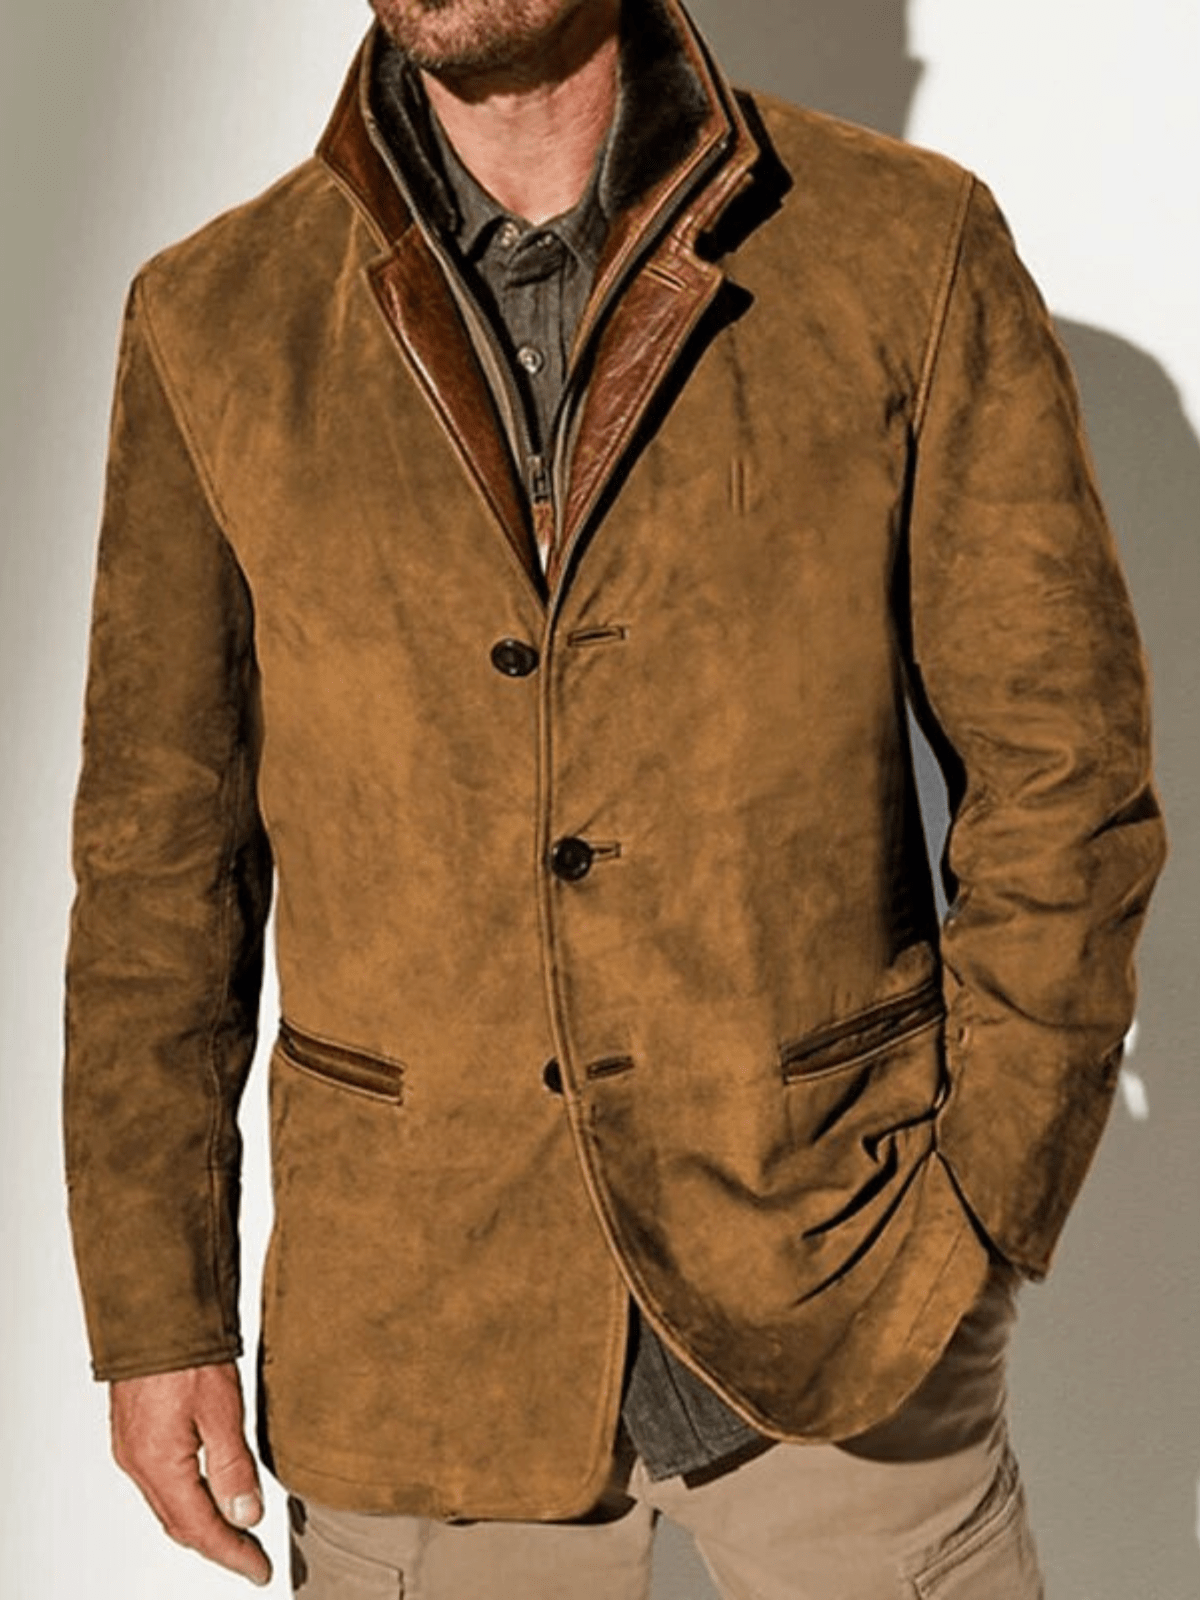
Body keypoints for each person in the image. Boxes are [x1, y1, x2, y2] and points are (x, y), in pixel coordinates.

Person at [64, 0, 1166, 1594]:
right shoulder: (214, 318)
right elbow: (159, 868)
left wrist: (982, 1207)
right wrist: (156, 1312)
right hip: (419, 1338)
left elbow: (1066, 774)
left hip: (844, 1296)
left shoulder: (902, 249)